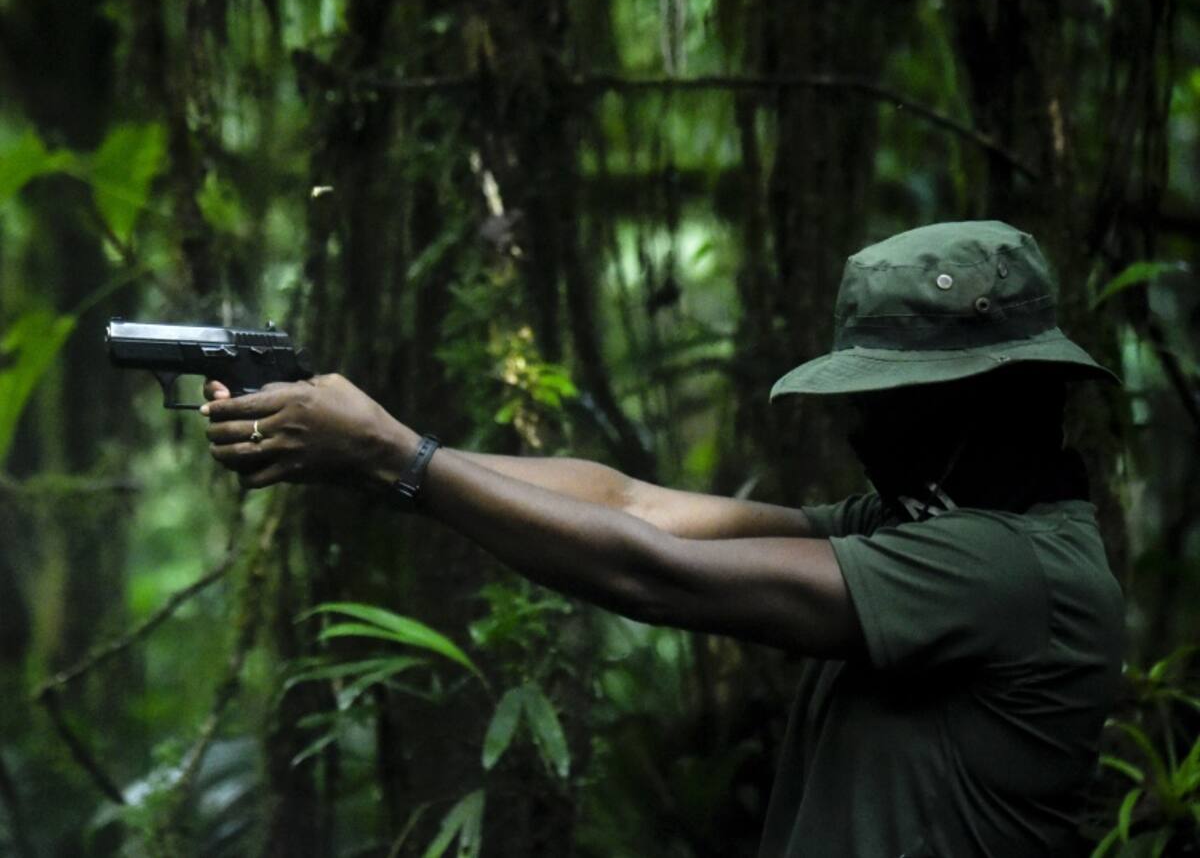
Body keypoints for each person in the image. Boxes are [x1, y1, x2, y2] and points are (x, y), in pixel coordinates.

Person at [201, 221, 1124, 857]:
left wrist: (401, 456)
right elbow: (637, 507)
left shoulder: (1009, 569)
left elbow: (657, 575)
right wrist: (370, 454)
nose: (860, 426)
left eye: (887, 399)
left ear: (980, 398)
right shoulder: (921, 528)